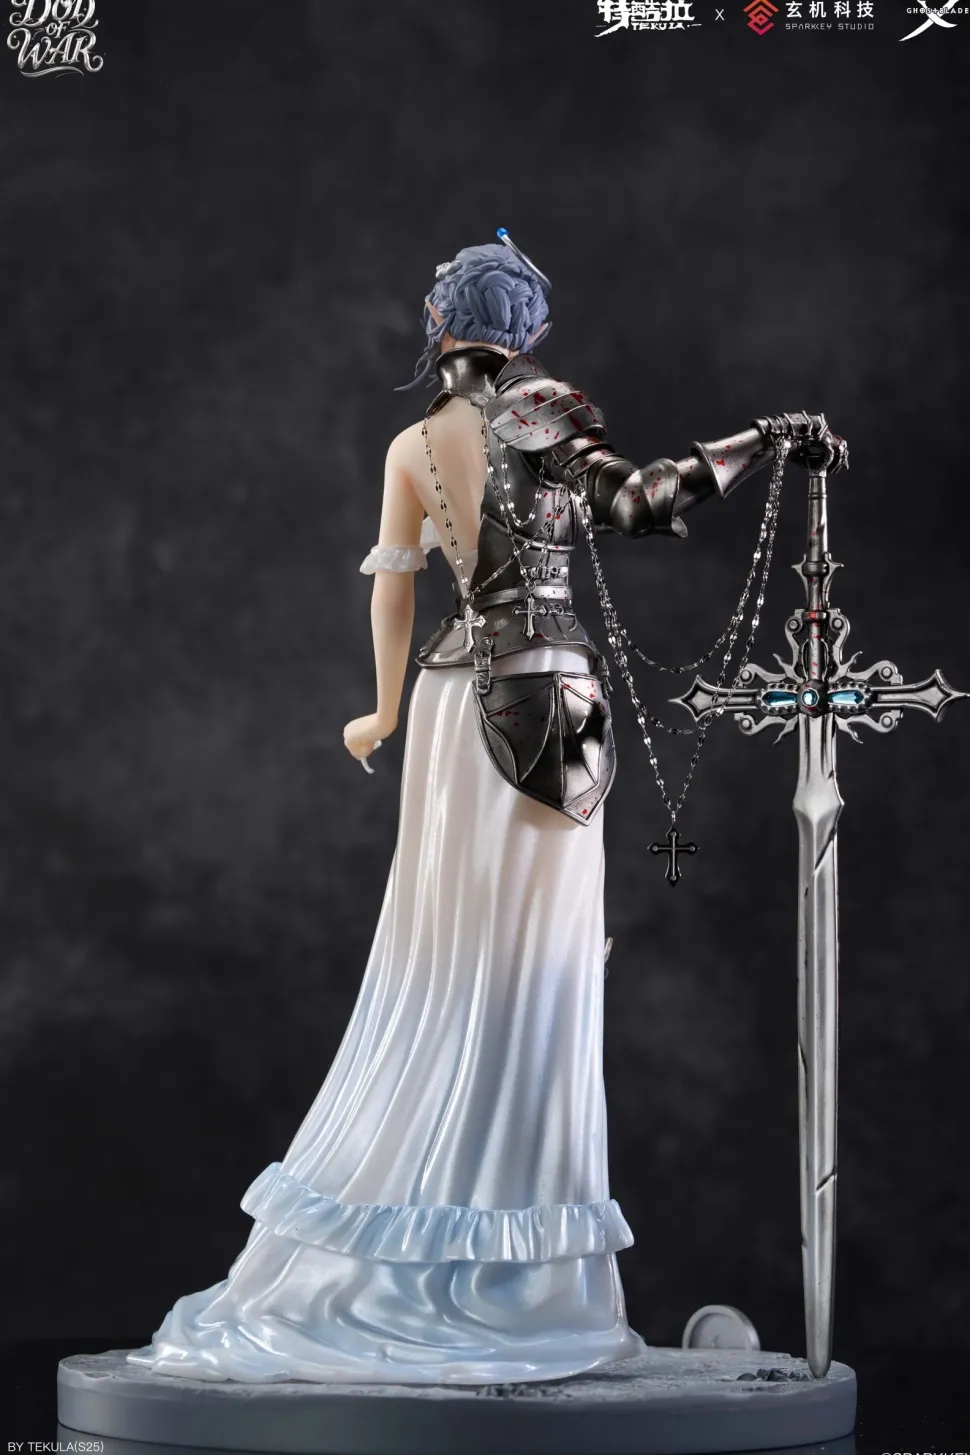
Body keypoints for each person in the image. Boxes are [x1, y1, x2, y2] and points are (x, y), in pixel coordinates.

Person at [128, 237, 842, 1386]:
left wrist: (378, 713)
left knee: (447, 961)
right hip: (549, 708)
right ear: (530, 334)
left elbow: (394, 587)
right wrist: (764, 438)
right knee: (539, 972)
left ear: (437, 324)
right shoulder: (543, 411)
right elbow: (645, 502)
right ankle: (514, 1278)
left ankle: (434, 1242)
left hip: (447, 717)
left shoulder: (412, 444)